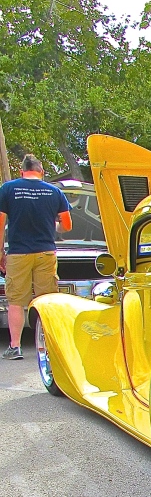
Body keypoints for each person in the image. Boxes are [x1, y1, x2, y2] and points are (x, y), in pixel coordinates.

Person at [0, 154, 73, 359]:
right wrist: (53, 225)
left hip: (18, 253)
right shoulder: (55, 192)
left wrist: (0, 253)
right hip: (45, 252)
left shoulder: (8, 189)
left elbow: (0, 222)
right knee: (47, 299)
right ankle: (49, 346)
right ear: (41, 172)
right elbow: (67, 225)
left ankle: (15, 347)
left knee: (15, 300)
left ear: (22, 171)